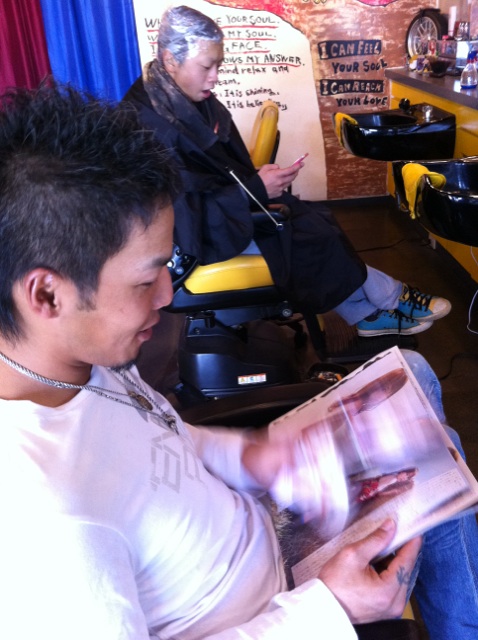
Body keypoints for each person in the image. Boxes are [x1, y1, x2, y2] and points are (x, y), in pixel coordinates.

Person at [0, 82, 477, 640]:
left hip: (260, 521)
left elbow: (168, 440)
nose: (166, 296)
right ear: (47, 294)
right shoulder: (47, 520)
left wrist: (257, 456)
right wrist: (330, 609)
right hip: (283, 605)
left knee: (413, 378)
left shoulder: (80, 362)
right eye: (145, 279)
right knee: (438, 459)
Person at [123, 5, 451, 339]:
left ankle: (370, 311)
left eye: (218, 66)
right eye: (207, 66)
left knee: (316, 220)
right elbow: (181, 212)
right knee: (306, 235)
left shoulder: (179, 100)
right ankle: (388, 298)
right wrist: (254, 189)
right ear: (170, 60)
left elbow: (213, 172)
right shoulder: (148, 125)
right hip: (189, 243)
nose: (215, 77)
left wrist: (255, 180)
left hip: (217, 214)